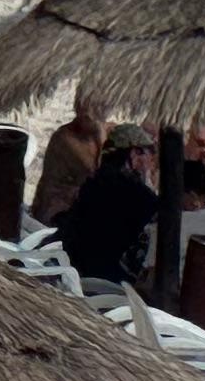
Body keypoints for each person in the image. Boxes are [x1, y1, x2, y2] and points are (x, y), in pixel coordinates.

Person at [55, 135, 164, 289]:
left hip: (65, 270)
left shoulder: (90, 184)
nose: (151, 164)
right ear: (134, 155)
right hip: (104, 285)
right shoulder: (141, 197)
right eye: (150, 155)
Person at [29, 97, 113, 228]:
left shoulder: (102, 131)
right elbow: (96, 172)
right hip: (56, 209)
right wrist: (101, 135)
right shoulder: (64, 138)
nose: (89, 114)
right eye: (84, 108)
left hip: (80, 204)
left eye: (95, 108)